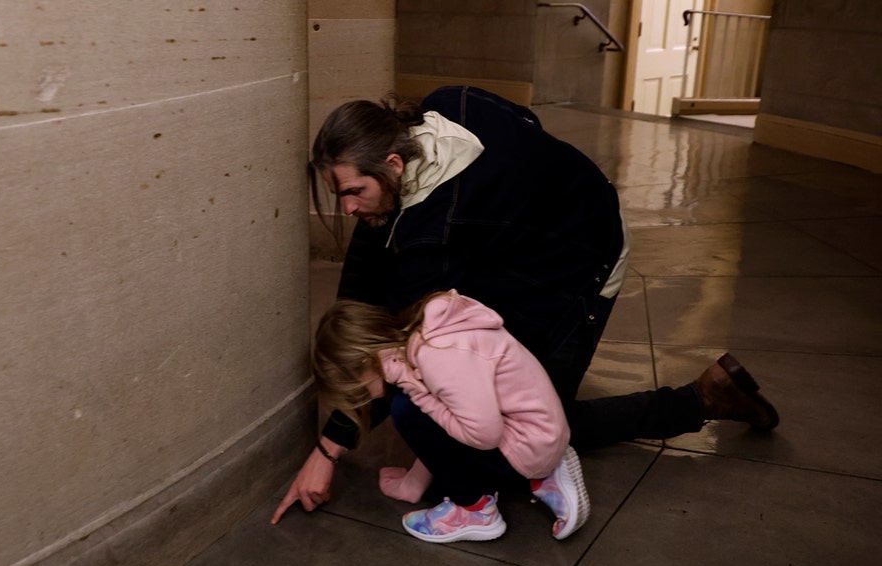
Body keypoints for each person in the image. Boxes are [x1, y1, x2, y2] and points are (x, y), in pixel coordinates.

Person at [271, 86, 778, 524]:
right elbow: (367, 271)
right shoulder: (450, 103)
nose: (348, 208)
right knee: (492, 392)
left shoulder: (435, 237)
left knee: (530, 431)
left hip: (580, 258)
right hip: (527, 238)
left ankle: (703, 400)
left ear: (394, 163)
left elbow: (389, 353)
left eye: (355, 192)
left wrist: (327, 450)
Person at [311, 290, 589, 542]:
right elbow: (447, 421)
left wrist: (416, 392)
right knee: (412, 408)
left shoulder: (437, 356)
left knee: (407, 410)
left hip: (531, 446)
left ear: (364, 361)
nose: (365, 399)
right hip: (539, 433)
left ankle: (476, 511)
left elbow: (482, 435)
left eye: (358, 390)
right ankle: (544, 476)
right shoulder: (427, 336)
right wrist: (414, 481)